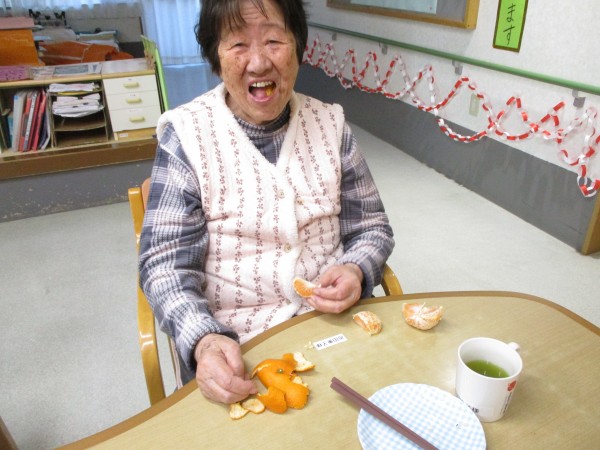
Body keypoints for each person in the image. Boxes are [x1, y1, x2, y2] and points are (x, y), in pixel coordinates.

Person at [139, 0, 394, 405]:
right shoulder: (186, 135)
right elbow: (165, 265)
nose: (258, 63)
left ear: (298, 48)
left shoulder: (331, 124)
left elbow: (372, 228)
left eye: (274, 40)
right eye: (238, 44)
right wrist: (204, 339)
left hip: (335, 328)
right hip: (239, 348)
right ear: (216, 57)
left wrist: (356, 269)